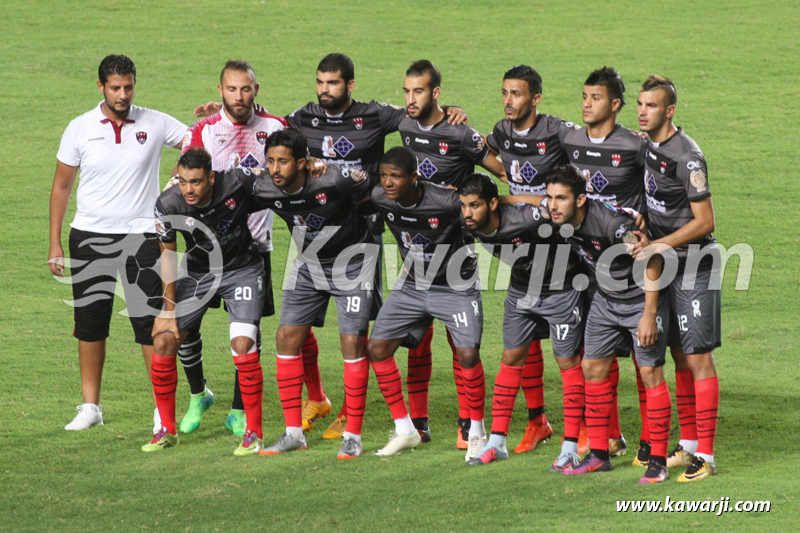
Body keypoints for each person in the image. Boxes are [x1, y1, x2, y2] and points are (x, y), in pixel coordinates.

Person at [194, 53, 467, 438]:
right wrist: (226, 110)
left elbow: (419, 113)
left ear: (349, 85)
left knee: (364, 330)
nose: (325, 90)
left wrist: (448, 110)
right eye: (320, 82)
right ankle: (318, 397)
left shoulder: (374, 115)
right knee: (297, 326)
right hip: (311, 236)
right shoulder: (302, 117)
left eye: (333, 83)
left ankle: (353, 414)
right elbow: (273, 130)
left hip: (363, 231)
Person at [175, 60, 318, 438]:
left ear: (257, 89)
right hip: (203, 251)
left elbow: (298, 170)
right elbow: (184, 181)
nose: (239, 97)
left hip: (253, 247)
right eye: (232, 89)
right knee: (184, 329)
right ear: (220, 90)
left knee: (247, 332)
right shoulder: (204, 130)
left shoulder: (275, 127)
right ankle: (197, 394)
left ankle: (240, 410)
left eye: (246, 89)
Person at [49, 54, 186, 434]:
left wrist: (177, 177)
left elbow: (197, 142)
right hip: (89, 237)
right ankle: (91, 407)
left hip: (143, 237)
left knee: (149, 324)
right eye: (115, 88)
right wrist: (54, 243)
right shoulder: (79, 128)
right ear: (101, 88)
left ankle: (163, 410)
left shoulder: (155, 121)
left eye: (128, 86)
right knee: (90, 325)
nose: (123, 94)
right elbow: (62, 186)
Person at [398, 60, 505, 448]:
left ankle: (468, 424)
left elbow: (502, 169)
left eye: (419, 92)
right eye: (408, 91)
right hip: (415, 253)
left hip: (456, 253)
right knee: (417, 339)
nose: (412, 99)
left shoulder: (460, 134)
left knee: (460, 342)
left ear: (435, 93)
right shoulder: (405, 123)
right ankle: (420, 421)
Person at [252, 129, 378, 460]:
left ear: (304, 163)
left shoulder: (334, 180)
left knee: (352, 342)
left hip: (353, 263)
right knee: (286, 337)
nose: (275, 169)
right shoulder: (264, 185)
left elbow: (373, 187)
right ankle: (294, 433)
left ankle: (353, 436)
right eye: (271, 161)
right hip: (309, 264)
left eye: (283, 161)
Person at [546, 164, 673, 484]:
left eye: (560, 198)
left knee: (650, 373)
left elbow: (654, 259)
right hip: (605, 300)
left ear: (580, 200)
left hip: (640, 300)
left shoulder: (613, 225)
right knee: (592, 368)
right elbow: (525, 202)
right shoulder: (559, 215)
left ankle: (658, 461)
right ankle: (600, 455)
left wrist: (648, 314)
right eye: (550, 198)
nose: (552, 205)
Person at [485, 64, 585, 454]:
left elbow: (589, 152)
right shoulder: (501, 130)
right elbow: (485, 152)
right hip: (524, 249)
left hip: (562, 249)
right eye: (505, 93)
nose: (509, 101)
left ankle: (593, 431)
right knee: (523, 345)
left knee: (579, 348)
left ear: (536, 99)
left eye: (517, 94)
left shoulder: (557, 131)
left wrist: (522, 198)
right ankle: (537, 421)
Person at [456, 173, 585, 468]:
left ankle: (570, 447)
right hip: (520, 291)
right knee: (510, 357)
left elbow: (560, 214)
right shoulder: (468, 219)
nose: (467, 213)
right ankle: (497, 443)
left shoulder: (529, 219)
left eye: (474, 205)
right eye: (464, 206)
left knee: (567, 362)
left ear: (491, 204)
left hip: (561, 290)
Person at [367, 146, 487, 461]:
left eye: (396, 176)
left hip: (455, 286)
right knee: (377, 349)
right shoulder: (380, 198)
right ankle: (405, 429)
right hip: (413, 286)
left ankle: (476, 432)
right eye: (384, 176)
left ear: (414, 178)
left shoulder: (447, 201)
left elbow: (479, 215)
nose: (388, 183)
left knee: (468, 354)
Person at [148, 147, 265, 455]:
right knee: (163, 340)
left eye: (197, 182)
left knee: (243, 344)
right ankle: (165, 430)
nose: (189, 189)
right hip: (199, 272)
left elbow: (280, 186)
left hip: (242, 269)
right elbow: (168, 256)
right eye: (184, 181)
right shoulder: (167, 203)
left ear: (211, 178)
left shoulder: (238, 182)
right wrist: (168, 311)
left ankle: (253, 431)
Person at [561, 66, 650, 459]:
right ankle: (610, 437)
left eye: (595, 98)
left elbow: (660, 186)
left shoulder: (635, 145)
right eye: (583, 97)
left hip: (629, 263)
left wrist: (648, 219)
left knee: (642, 358)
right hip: (588, 263)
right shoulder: (571, 140)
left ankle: (651, 441)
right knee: (596, 352)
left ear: (615, 104)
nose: (586, 104)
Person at [636, 75, 720, 482]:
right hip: (666, 263)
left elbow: (705, 221)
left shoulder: (687, 157)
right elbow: (655, 200)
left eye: (651, 106)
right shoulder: (648, 145)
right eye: (640, 103)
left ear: (669, 111)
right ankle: (688, 445)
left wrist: (659, 243)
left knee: (699, 356)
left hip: (693, 266)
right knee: (679, 356)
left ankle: (707, 454)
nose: (642, 111)